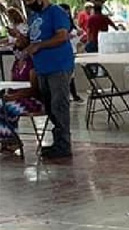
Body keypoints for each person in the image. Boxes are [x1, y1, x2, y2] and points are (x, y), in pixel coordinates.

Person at [24, 0, 75, 159]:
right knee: (49, 106)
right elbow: (33, 39)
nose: (28, 3)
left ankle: (64, 144)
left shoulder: (56, 12)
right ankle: (57, 140)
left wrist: (40, 46)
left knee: (59, 105)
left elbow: (62, 36)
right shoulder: (34, 16)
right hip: (42, 67)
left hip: (58, 65)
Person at [0, 69, 43, 155]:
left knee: (9, 109)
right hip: (17, 97)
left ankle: (12, 140)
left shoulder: (32, 66)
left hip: (33, 99)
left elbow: (33, 89)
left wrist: (14, 97)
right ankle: (5, 139)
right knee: (1, 105)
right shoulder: (16, 65)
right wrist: (8, 96)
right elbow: (12, 84)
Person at [58, 3, 83, 103]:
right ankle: (68, 95)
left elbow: (78, 34)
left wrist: (78, 34)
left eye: (68, 13)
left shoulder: (71, 24)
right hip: (62, 52)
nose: (67, 15)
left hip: (72, 50)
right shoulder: (58, 24)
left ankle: (73, 94)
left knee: (71, 74)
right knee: (65, 75)